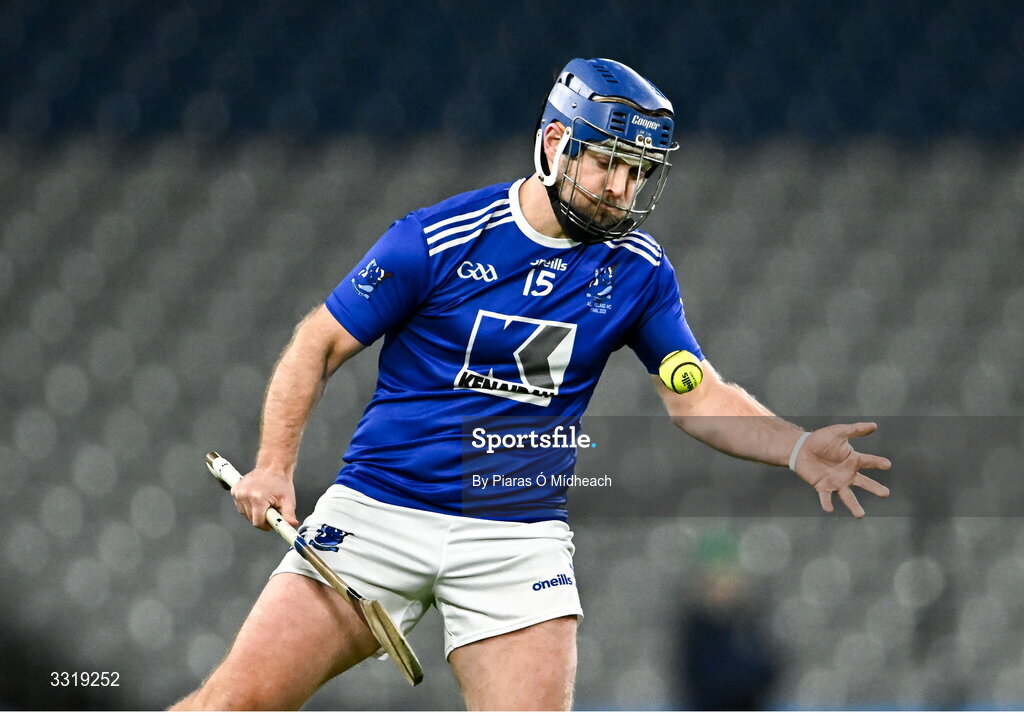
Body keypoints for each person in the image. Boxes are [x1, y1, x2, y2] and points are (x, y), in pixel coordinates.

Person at [170, 57, 891, 710]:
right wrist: (274, 462)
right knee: (232, 706)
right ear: (555, 145)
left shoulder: (638, 272)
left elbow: (697, 395)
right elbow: (317, 342)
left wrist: (796, 447)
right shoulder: (437, 239)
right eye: (609, 162)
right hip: (380, 513)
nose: (622, 188)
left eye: (639, 171)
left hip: (516, 538)